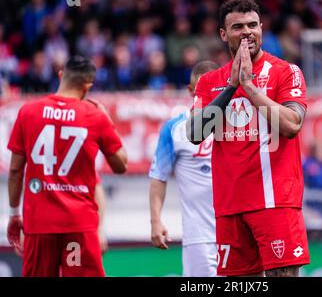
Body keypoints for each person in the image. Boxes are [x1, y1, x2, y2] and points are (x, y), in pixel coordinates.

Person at [186, 0, 310, 277]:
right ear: (223, 34)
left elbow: (292, 125)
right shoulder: (209, 83)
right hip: (229, 206)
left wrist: (250, 88)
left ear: (262, 28)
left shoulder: (285, 72)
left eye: (253, 25)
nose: (247, 32)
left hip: (275, 201)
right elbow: (194, 134)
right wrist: (231, 87)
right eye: (237, 26)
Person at [6, 55, 127, 277]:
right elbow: (121, 165)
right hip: (79, 223)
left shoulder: (28, 112)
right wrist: (108, 120)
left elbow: (15, 170)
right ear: (88, 86)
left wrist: (14, 213)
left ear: (61, 75)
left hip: (39, 223)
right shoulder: (95, 116)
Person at [149, 60, 219, 277]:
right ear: (190, 90)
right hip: (200, 237)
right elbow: (158, 176)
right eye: (200, 89)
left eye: (212, 88)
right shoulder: (175, 129)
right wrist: (155, 220)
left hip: (239, 232)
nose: (206, 94)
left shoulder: (239, 123)